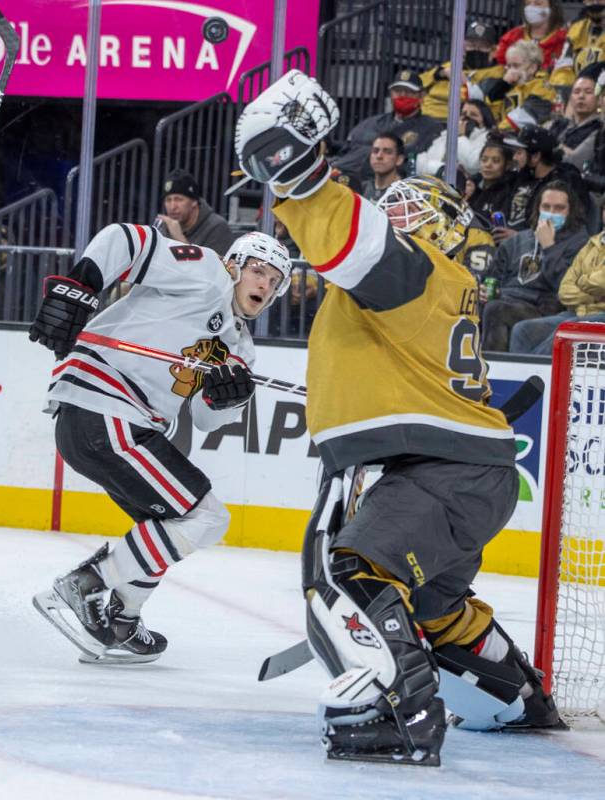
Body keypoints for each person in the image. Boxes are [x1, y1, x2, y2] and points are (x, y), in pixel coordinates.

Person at [234, 69, 561, 766]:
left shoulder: (420, 273)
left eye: (412, 208)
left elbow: (351, 237)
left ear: (441, 227)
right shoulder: (428, 290)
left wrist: (297, 168)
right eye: (396, 204)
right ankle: (516, 698)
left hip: (441, 471)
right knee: (434, 606)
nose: (396, 213)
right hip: (458, 471)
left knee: (350, 574)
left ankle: (402, 715)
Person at [27, 225, 291, 663]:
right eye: (258, 270)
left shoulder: (239, 349)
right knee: (205, 516)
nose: (264, 283)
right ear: (234, 266)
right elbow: (124, 241)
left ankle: (120, 619)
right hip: (103, 408)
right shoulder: (206, 273)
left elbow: (206, 417)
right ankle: (86, 585)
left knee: (167, 523)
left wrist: (230, 395)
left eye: (274, 280)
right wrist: (80, 287)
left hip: (123, 423)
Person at [481, 180, 589, 351]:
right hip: (506, 300)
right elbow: (491, 279)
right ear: (538, 208)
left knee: (496, 310)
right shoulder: (516, 241)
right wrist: (484, 292)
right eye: (546, 207)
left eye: (559, 208)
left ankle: (493, 373)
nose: (551, 213)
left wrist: (549, 247)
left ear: (571, 211)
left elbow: (565, 288)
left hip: (545, 310)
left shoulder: (580, 243)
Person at [510, 204, 605, 353]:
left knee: (563, 334)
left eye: (559, 208)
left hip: (600, 315)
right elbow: (565, 290)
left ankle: (534, 375)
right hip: (579, 312)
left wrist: (582, 282)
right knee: (522, 330)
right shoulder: (593, 243)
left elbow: (600, 282)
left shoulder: (579, 240)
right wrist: (596, 294)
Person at [331, 70, 443, 179]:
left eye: (409, 92)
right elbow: (346, 150)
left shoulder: (431, 128)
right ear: (391, 94)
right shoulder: (370, 123)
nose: (402, 95)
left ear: (422, 95)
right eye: (398, 91)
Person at [421, 20, 502, 121]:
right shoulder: (452, 65)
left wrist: (465, 83)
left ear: (493, 50)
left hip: (457, 124)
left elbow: (485, 105)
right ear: (463, 46)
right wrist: (441, 73)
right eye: (471, 45)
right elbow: (420, 81)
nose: (476, 49)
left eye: (482, 46)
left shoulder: (498, 74)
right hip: (424, 118)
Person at [154, 168, 235, 256]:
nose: (172, 207)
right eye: (168, 200)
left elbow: (215, 268)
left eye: (179, 199)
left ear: (194, 202)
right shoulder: (164, 226)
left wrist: (179, 237)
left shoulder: (217, 227)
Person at [416, 100, 495, 177]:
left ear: (485, 120)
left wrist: (460, 136)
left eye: (473, 115)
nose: (467, 117)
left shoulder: (488, 139)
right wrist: (442, 169)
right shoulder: (445, 134)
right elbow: (421, 164)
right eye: (463, 113)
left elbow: (472, 165)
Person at [547, 73, 602, 169]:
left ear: (599, 100)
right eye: (576, 92)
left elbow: (575, 161)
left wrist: (552, 144)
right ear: (570, 99)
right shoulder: (559, 123)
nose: (581, 96)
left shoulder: (599, 129)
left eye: (588, 92)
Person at [495, 0, 568, 72]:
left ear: (552, 8)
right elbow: (501, 67)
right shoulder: (512, 36)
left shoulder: (564, 39)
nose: (531, 7)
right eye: (528, 3)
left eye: (538, 3)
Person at [550, 0, 605, 90]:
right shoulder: (576, 29)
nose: (595, 1)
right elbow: (563, 68)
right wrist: (567, 90)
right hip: (579, 92)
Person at [468, 138, 519, 223]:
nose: (488, 165)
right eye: (484, 160)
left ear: (508, 165)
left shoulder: (510, 190)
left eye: (496, 161)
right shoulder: (472, 186)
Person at [361, 133, 405, 202]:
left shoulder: (406, 193)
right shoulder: (361, 189)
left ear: (399, 159)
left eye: (387, 152)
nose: (379, 156)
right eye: (375, 151)